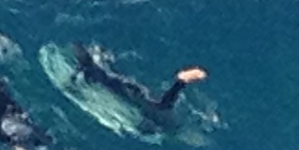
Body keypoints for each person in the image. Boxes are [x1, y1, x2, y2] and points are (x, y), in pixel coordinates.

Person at [71, 43, 207, 129]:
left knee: (105, 75)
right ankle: (85, 62)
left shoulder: (159, 113)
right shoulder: (160, 111)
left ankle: (91, 61)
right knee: (100, 76)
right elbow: (166, 103)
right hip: (132, 93)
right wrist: (181, 81)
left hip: (136, 92)